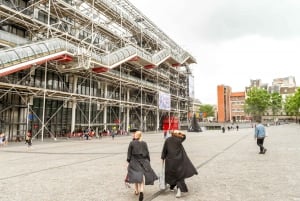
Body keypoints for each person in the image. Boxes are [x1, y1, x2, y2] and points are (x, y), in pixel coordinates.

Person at [161, 130, 198, 198]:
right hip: (179, 160)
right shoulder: (179, 139)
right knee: (179, 175)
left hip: (170, 161)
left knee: (171, 174)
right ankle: (178, 190)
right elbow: (184, 136)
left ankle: (173, 187)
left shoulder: (167, 140)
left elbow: (164, 150)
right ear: (176, 134)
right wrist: (180, 133)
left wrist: (162, 159)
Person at [126, 131, 158, 201]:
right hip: (144, 161)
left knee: (136, 176)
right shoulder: (144, 143)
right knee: (140, 177)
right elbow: (147, 153)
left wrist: (128, 162)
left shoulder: (132, 143)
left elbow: (129, 154)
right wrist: (148, 161)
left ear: (136, 136)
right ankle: (141, 191)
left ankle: (137, 190)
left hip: (134, 161)